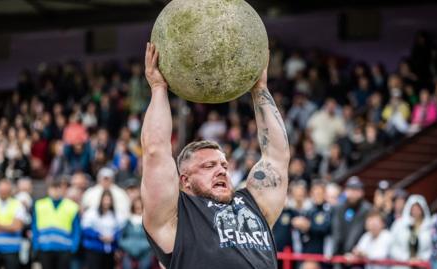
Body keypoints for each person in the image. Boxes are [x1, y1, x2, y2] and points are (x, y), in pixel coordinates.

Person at [141, 43, 290, 268]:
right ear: (185, 180)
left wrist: (260, 89)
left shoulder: (253, 204)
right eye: (208, 165)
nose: (221, 169)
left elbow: (277, 156)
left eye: (223, 164)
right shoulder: (175, 217)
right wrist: (158, 88)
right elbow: (155, 151)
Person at [31, 180, 81, 269]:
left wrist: (74, 247)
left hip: (65, 248)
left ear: (62, 190)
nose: (55, 191)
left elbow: (77, 229)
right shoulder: (39, 204)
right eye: (53, 188)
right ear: (48, 190)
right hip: (44, 247)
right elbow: (34, 226)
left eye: (58, 188)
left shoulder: (72, 206)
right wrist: (36, 245)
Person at [82, 190, 124, 269]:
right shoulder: (92, 213)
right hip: (95, 248)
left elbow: (121, 229)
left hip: (110, 250)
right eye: (105, 200)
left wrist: (114, 237)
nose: (107, 202)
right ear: (101, 200)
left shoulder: (116, 215)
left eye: (109, 200)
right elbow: (85, 228)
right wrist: (98, 236)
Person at [390, 195, 432, 269]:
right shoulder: (399, 224)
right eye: (413, 208)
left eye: (418, 208)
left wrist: (422, 258)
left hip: (423, 265)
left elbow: (433, 248)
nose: (416, 211)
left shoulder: (430, 226)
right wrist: (406, 258)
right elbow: (392, 245)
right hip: (402, 265)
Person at [332, 176, 371, 256]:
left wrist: (354, 251)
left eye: (356, 190)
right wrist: (335, 251)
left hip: (358, 254)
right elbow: (336, 230)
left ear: (361, 192)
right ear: (345, 191)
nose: (353, 193)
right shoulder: (338, 207)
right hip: (339, 254)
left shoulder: (367, 209)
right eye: (350, 190)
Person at [119, 198, 152, 269]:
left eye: (140, 207)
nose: (138, 209)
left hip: (145, 252)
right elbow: (121, 237)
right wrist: (128, 246)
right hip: (128, 252)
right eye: (136, 207)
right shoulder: (128, 222)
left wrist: (145, 246)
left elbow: (152, 238)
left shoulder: (148, 222)